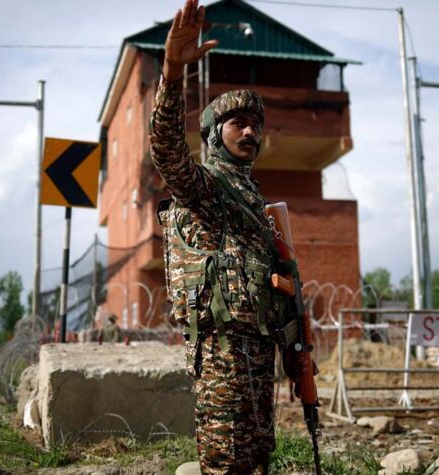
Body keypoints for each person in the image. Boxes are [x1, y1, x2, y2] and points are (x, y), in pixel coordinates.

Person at [149, 1, 291, 472]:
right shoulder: (205, 188)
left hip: (260, 345)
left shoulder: (254, 198)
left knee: (259, 453)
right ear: (213, 134)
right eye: (237, 123)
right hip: (223, 346)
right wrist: (172, 74)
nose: (250, 131)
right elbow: (167, 150)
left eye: (256, 125)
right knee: (225, 456)